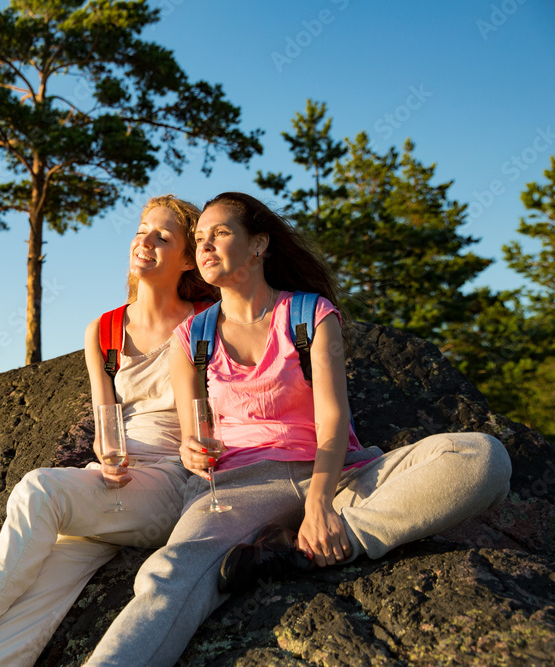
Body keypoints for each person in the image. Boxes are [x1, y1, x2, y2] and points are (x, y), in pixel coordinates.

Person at [85, 192, 512, 666]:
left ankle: (308, 547)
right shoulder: (191, 338)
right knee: (168, 575)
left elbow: (333, 419)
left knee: (481, 456)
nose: (205, 246)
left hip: (338, 473)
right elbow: (192, 436)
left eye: (220, 234)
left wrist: (319, 504)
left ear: (258, 245)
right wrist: (192, 452)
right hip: (236, 487)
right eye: (199, 238)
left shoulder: (310, 315)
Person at [0, 195, 217, 667]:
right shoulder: (103, 329)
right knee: (39, 592)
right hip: (112, 486)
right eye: (142, 229)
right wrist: (109, 453)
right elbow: (106, 421)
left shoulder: (205, 321)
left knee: (39, 489)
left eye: (163, 236)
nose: (146, 241)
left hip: (167, 486)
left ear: (187, 259)